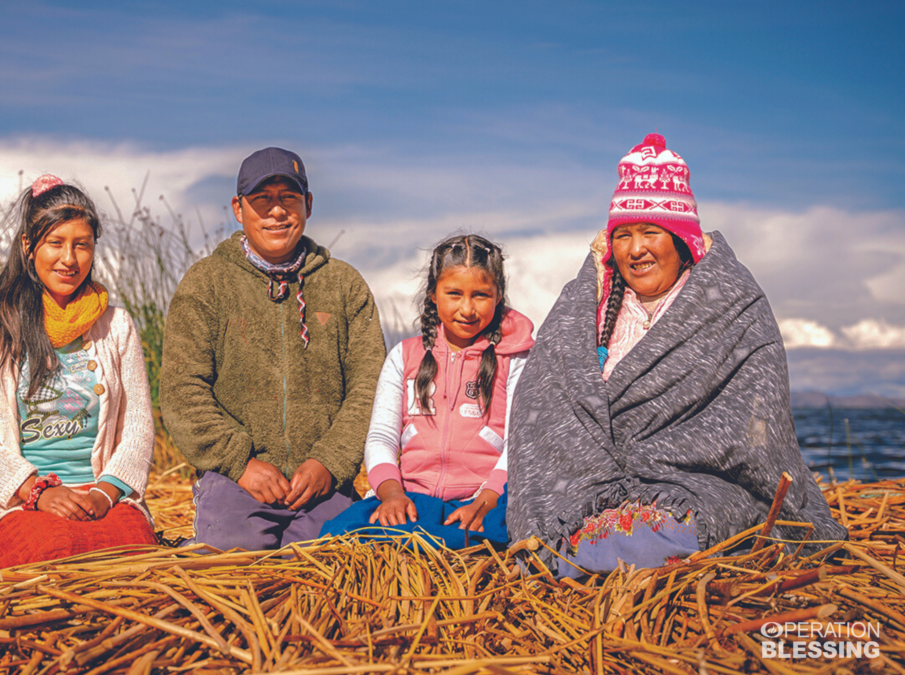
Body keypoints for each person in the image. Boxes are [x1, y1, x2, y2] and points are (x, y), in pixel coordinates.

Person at [507, 134, 847, 578]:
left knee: (675, 531)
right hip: (586, 489)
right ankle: (583, 549)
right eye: (623, 235)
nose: (635, 249)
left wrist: (663, 460)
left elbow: (757, 422)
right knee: (566, 532)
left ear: (682, 239)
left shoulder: (731, 306)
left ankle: (591, 555)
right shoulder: (583, 307)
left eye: (651, 232)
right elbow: (544, 405)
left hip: (696, 487)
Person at [161, 147, 385, 551]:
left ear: (308, 205)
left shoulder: (345, 285)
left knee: (327, 568)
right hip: (235, 481)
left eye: (289, 198)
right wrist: (240, 464)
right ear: (238, 208)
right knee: (230, 565)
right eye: (262, 199)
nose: (277, 211)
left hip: (322, 486)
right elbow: (183, 389)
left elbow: (369, 388)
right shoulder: (206, 283)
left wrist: (328, 463)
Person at [0, 174, 157, 574]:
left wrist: (105, 493)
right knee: (49, 554)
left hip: (100, 499)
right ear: (28, 246)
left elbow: (138, 427)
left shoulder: (117, 326)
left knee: (136, 553)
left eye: (82, 245)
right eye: (55, 243)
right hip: (16, 504)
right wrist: (35, 491)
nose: (69, 259)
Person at [322, 234, 534, 548]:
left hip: (483, 502)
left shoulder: (515, 360)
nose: (467, 308)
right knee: (342, 534)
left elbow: (520, 441)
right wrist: (392, 493)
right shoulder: (404, 357)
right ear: (433, 294)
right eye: (453, 293)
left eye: (480, 295)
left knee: (482, 543)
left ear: (498, 295)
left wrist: (487, 500)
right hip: (410, 498)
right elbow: (382, 436)